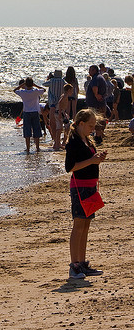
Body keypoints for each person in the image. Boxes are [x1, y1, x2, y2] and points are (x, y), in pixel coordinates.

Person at [65, 109, 107, 279]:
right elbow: (70, 167)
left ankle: (81, 263)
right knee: (79, 225)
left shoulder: (86, 140)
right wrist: (92, 160)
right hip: (80, 188)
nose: (92, 128)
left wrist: (98, 158)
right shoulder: (74, 141)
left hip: (89, 187)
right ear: (80, 124)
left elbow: (88, 161)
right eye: (90, 125)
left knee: (86, 225)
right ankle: (74, 265)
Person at [14, 78, 46, 152]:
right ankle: (37, 147)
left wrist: (22, 84)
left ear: (25, 84)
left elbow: (15, 90)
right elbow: (44, 90)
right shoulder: (35, 91)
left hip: (26, 112)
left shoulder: (23, 92)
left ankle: (28, 148)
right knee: (36, 129)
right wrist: (36, 85)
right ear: (32, 84)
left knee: (27, 130)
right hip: (35, 112)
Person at [43, 70, 65, 149]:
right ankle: (58, 141)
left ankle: (56, 140)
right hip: (60, 103)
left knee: (52, 122)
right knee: (59, 122)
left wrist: (48, 79)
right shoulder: (63, 81)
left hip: (52, 104)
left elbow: (44, 84)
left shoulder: (52, 81)